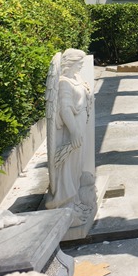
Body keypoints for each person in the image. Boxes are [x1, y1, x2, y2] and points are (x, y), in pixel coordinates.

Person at [46, 49, 96, 226]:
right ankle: (65, 205)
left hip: (80, 124)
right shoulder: (64, 83)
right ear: (70, 62)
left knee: (77, 167)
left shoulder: (76, 78)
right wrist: (74, 131)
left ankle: (74, 202)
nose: (81, 65)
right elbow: (65, 109)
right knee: (68, 167)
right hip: (72, 130)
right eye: (79, 62)